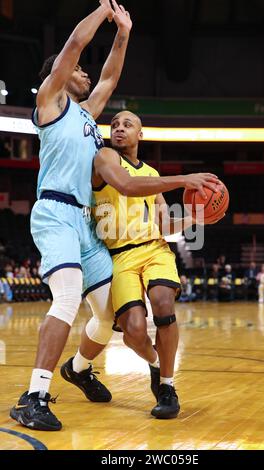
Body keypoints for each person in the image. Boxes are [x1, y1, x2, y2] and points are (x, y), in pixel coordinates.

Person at [10, 0, 132, 432]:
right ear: (59, 75)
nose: (86, 74)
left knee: (109, 313)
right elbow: (75, 44)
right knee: (65, 298)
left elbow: (111, 76)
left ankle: (78, 369)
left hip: (84, 221)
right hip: (55, 212)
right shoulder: (49, 101)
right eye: (79, 71)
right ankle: (34, 396)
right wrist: (102, 10)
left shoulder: (86, 115)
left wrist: (124, 32)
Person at [61, 110, 221, 419]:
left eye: (127, 124)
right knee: (133, 330)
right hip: (119, 256)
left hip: (154, 250)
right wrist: (183, 179)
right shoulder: (105, 159)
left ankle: (167, 386)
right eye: (116, 124)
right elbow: (127, 186)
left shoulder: (150, 173)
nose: (119, 128)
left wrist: (195, 218)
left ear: (140, 135)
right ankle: (157, 364)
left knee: (163, 302)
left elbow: (163, 223)